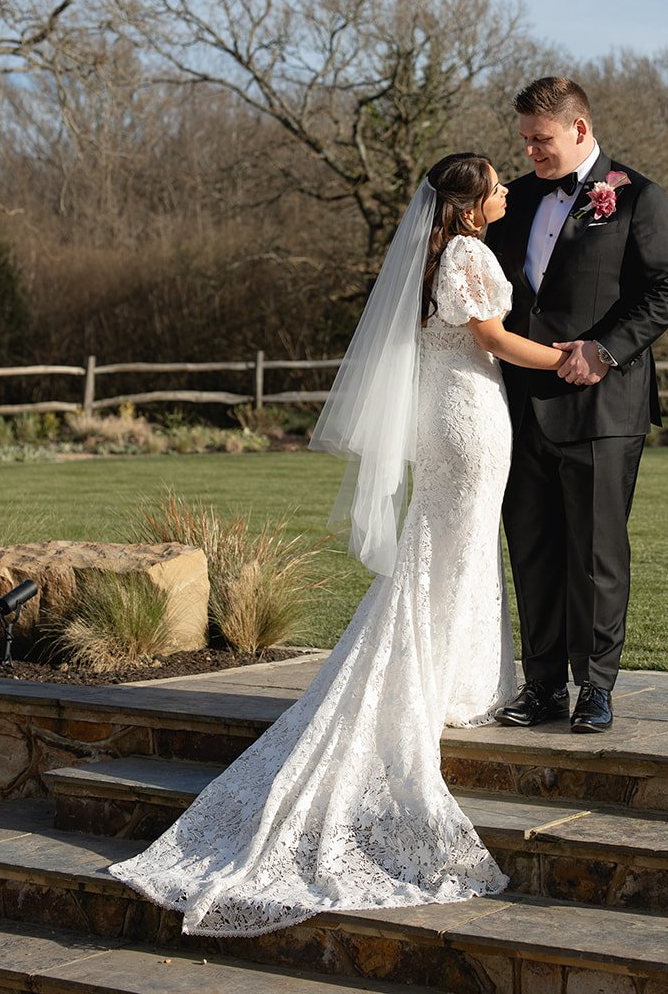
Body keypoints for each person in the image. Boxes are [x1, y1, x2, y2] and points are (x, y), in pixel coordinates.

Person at [108, 152, 566, 938]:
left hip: (456, 411)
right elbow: (488, 337)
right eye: (492, 186)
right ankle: (437, 683)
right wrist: (567, 359)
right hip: (466, 412)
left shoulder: (440, 252)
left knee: (450, 549)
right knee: (447, 549)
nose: (503, 193)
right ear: (465, 205)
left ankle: (455, 679)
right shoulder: (464, 253)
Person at [487, 77, 668, 734]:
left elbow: (667, 291)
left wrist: (603, 350)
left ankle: (594, 687)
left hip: (602, 408)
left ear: (578, 128)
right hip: (516, 406)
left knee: (596, 554)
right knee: (533, 550)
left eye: (539, 140)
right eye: (523, 140)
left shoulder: (638, 197)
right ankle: (540, 685)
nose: (529, 152)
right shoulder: (511, 201)